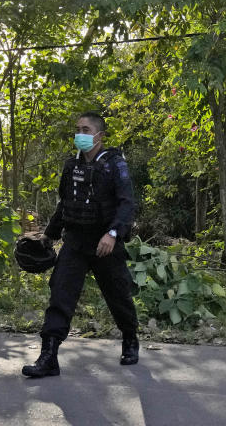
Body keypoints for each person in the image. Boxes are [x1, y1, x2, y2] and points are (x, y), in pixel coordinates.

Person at [22, 112, 139, 378]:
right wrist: (49, 235)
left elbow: (127, 204)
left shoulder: (114, 165)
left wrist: (112, 234)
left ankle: (130, 338)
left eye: (85, 129)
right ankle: (49, 356)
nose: (80, 134)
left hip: (104, 242)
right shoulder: (70, 165)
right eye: (78, 129)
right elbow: (64, 204)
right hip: (75, 241)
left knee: (118, 294)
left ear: (99, 135)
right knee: (60, 295)